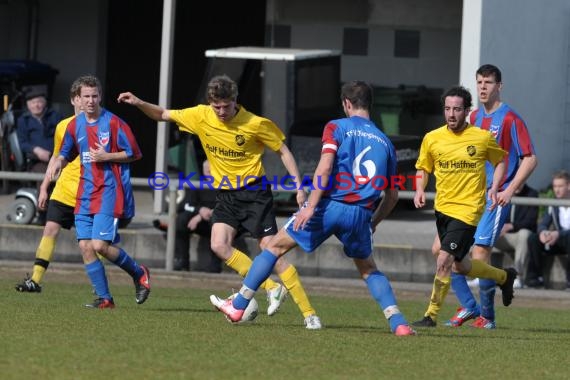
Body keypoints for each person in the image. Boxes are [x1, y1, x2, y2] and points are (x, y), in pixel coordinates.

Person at [211, 80, 416, 336]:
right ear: (369, 105)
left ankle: (238, 305)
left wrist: (310, 207)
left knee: (274, 246)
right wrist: (373, 222)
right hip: (361, 214)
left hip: (330, 206)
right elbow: (393, 195)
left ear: (347, 104)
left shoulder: (336, 127)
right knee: (369, 269)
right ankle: (399, 324)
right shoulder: (386, 142)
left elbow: (325, 167)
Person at [117, 75, 321, 328]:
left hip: (255, 194)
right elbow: (163, 114)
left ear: (235, 101)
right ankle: (271, 287)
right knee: (219, 245)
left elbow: (283, 150)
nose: (221, 111)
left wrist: (299, 187)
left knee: (273, 252)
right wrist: (138, 102)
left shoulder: (255, 123)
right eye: (217, 107)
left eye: (226, 106)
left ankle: (309, 314)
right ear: (210, 104)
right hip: (226, 195)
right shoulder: (201, 115)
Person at [411, 85, 517, 328]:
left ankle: (431, 315)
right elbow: (423, 167)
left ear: (467, 111)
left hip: (468, 210)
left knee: (444, 259)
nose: (451, 114)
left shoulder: (481, 137)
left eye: (457, 109)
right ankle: (504, 276)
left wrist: (495, 186)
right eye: (447, 108)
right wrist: (419, 188)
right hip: (443, 208)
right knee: (461, 265)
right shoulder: (433, 138)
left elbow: (501, 160)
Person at [443, 64, 537, 330]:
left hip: (495, 198)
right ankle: (468, 306)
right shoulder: (472, 118)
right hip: (467, 197)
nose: (483, 87)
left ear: (499, 86)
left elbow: (530, 159)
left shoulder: (510, 119)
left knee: (480, 252)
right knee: (442, 251)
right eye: (479, 82)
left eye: (488, 82)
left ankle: (487, 316)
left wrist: (509, 189)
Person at [47, 75, 150, 308]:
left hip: (108, 190)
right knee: (85, 246)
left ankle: (139, 273)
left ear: (100, 96)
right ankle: (105, 299)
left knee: (99, 245)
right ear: (79, 100)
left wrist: (107, 156)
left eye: (94, 96)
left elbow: (134, 153)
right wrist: (58, 162)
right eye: (86, 97)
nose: (91, 101)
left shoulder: (114, 123)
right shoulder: (74, 125)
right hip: (84, 192)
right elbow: (66, 151)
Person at [170, 159, 222, 272]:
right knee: (181, 220)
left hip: (216, 221)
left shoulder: (224, 186)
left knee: (217, 221)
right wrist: (199, 210)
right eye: (207, 171)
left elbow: (227, 205)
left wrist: (202, 215)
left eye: (212, 171)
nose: (209, 174)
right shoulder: (197, 184)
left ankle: (215, 266)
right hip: (198, 223)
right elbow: (187, 205)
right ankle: (182, 262)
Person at [526, 170, 570, 289]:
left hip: (566, 239)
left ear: (569, 186)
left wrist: (558, 234)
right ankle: (534, 278)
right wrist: (543, 232)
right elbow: (544, 223)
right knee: (533, 239)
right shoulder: (553, 203)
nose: (557, 189)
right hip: (557, 241)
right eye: (555, 186)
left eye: (560, 186)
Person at [492, 183, 538, 288]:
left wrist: (511, 226)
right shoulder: (500, 191)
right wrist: (497, 227)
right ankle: (482, 276)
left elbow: (531, 222)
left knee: (524, 234)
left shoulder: (532, 194)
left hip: (517, 236)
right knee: (483, 232)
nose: (516, 184)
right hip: (502, 236)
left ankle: (518, 277)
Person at [16, 89, 62, 174]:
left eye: (39, 102)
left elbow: (65, 136)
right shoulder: (23, 120)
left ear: (45, 103)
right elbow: (22, 143)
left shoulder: (55, 116)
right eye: (33, 103)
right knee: (44, 174)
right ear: (28, 105)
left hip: (58, 157)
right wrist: (36, 150)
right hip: (37, 161)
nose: (36, 105)